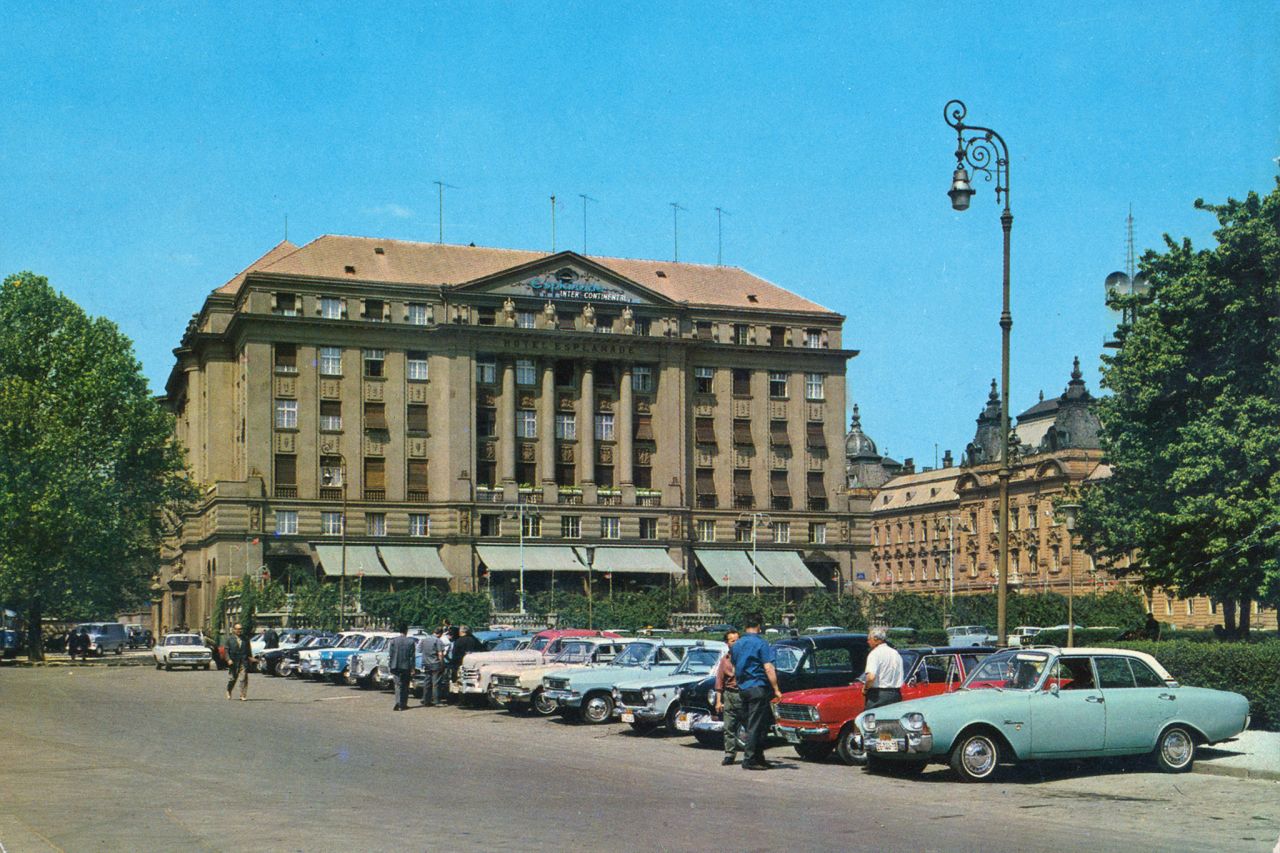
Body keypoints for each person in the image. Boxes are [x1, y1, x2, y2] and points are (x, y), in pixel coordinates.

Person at [729, 613, 782, 771]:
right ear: (759, 626)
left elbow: (734, 667)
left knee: (755, 724)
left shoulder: (737, 644)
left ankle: (759, 757)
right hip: (758, 687)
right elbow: (768, 667)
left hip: (743, 688)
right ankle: (750, 759)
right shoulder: (761, 644)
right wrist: (776, 689)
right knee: (756, 725)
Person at [714, 630, 742, 765]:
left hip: (744, 694)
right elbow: (719, 681)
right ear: (727, 643)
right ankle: (730, 754)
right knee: (729, 727)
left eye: (738, 640)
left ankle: (751, 754)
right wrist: (719, 701)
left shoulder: (745, 657)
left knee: (749, 726)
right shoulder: (724, 661)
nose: (736, 643)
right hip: (730, 695)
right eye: (732, 641)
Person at [862, 626, 905, 711]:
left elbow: (871, 677)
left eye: (869, 639)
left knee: (872, 722)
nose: (868, 642)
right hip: (895, 694)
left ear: (876, 639)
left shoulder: (874, 654)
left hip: (878, 696)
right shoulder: (895, 653)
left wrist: (865, 689)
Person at [386, 623, 418, 711]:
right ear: (406, 631)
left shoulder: (393, 641)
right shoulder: (411, 642)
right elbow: (412, 657)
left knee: (397, 685)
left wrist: (390, 665)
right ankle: (403, 703)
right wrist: (413, 668)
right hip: (406, 666)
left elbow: (391, 655)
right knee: (405, 685)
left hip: (395, 665)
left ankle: (398, 703)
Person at [447, 625, 483, 700]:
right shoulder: (474, 640)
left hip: (459, 663)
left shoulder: (458, 641)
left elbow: (455, 654)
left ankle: (459, 699)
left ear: (462, 631)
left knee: (459, 682)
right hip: (473, 664)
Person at [417, 628, 448, 706]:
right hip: (435, 663)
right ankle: (437, 701)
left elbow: (419, 650)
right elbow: (440, 654)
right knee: (436, 683)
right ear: (440, 634)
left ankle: (425, 700)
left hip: (426, 663)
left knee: (427, 682)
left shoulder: (424, 640)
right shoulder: (438, 641)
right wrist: (442, 664)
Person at [225, 622, 254, 701]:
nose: (239, 631)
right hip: (233, 662)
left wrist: (250, 658)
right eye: (237, 629)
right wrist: (228, 659)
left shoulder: (245, 639)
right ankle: (229, 690)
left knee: (243, 678)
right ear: (234, 630)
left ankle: (242, 694)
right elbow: (226, 650)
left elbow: (248, 650)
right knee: (232, 679)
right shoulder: (229, 639)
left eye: (240, 629)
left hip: (243, 661)